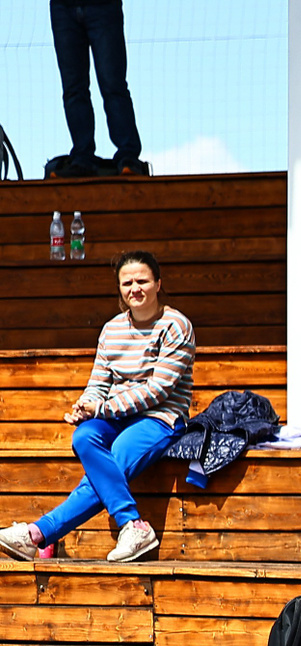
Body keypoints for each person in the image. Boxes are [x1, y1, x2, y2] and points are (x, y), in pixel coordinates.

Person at [0, 251, 192, 564]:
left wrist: (101, 408)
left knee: (114, 459)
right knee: (84, 436)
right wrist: (85, 406)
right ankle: (132, 525)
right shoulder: (111, 329)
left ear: (158, 284)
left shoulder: (176, 325)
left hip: (160, 417)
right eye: (127, 283)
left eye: (142, 281)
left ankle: (36, 534)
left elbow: (158, 390)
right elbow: (99, 383)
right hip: (115, 416)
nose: (135, 288)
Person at [50, 0, 143, 176]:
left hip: (103, 6)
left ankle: (127, 156)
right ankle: (83, 157)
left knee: (112, 85)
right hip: (63, 7)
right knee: (74, 88)